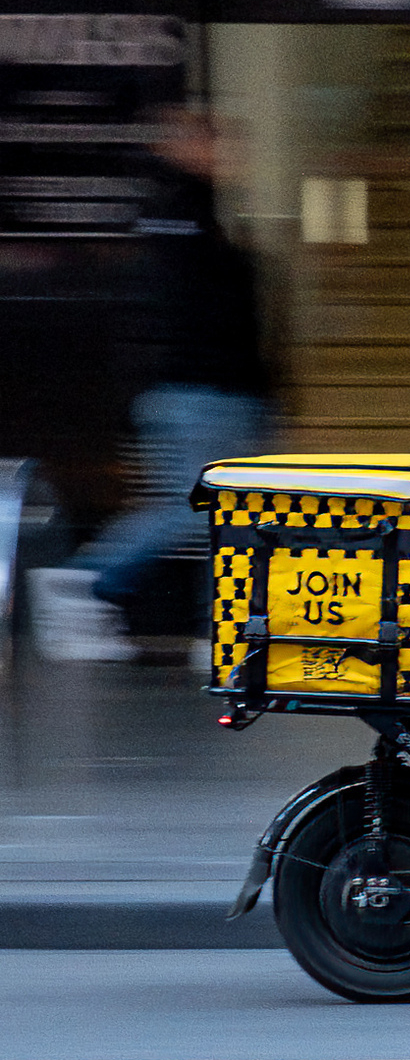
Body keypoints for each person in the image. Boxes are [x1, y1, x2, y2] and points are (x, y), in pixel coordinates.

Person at [30, 107, 269, 662]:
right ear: (182, 146)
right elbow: (189, 310)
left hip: (217, 387)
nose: (228, 156)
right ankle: (81, 583)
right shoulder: (175, 215)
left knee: (227, 515)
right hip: (197, 387)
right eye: (215, 144)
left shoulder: (195, 213)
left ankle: (225, 632)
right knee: (192, 507)